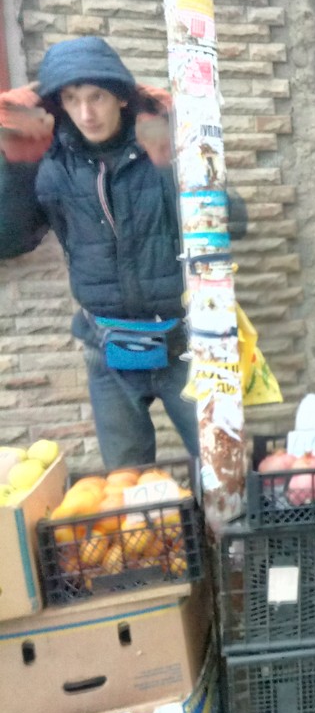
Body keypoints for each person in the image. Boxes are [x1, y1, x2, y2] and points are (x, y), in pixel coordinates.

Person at [0, 36, 246, 469]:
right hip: (107, 349)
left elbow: (234, 222)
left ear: (119, 95)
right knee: (126, 484)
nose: (86, 113)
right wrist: (16, 166)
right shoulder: (52, 161)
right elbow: (12, 238)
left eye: (96, 96)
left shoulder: (162, 142)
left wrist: (179, 153)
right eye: (72, 99)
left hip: (185, 345)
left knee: (223, 469)